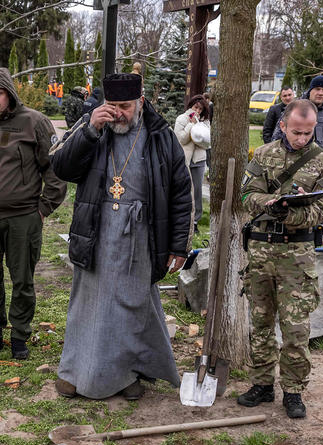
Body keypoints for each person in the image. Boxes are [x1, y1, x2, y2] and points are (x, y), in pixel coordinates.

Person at [49, 73, 190, 401]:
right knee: (88, 305)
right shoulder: (92, 127)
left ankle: (124, 374)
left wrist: (179, 244)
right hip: (96, 231)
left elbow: (181, 192)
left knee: (129, 306)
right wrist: (90, 130)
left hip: (140, 235)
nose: (118, 113)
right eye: (111, 106)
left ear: (140, 102)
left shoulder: (161, 136)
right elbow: (61, 167)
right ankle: (74, 372)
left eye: (125, 106)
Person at [237, 99, 323, 419]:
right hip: (262, 251)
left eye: (308, 133)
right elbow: (245, 195)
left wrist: (291, 214)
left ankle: (293, 391)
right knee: (261, 323)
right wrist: (271, 204)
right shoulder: (264, 155)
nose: (302, 139)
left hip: (297, 256)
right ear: (283, 126)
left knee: (296, 329)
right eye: (297, 132)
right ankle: (262, 384)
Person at [0, 67, 66, 360]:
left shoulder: (34, 122)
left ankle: (20, 335)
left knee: (22, 279)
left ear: (9, 94)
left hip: (23, 217)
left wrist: (43, 208)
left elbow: (55, 167)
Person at [174, 93, 211, 226]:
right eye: (196, 107)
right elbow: (181, 139)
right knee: (185, 189)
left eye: (200, 109)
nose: (197, 111)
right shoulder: (182, 119)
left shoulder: (205, 122)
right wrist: (191, 126)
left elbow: (206, 142)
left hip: (199, 160)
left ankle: (196, 220)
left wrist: (198, 130)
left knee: (198, 190)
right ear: (191, 106)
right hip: (185, 159)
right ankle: (183, 217)